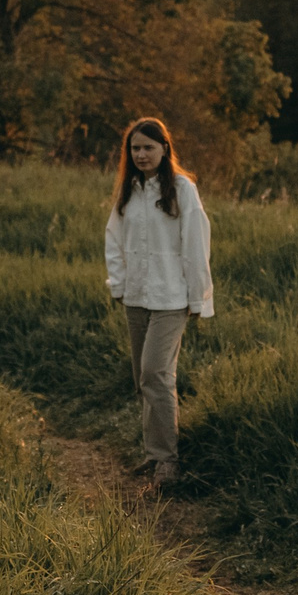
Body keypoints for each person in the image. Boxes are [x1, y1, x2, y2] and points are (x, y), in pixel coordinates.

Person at [103, 116, 212, 487]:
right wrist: (117, 284)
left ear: (165, 148)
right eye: (135, 148)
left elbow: (196, 246)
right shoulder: (129, 189)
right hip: (135, 298)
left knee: (155, 373)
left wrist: (199, 299)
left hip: (171, 299)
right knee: (143, 378)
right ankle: (153, 455)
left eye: (148, 147)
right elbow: (113, 239)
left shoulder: (182, 189)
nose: (141, 154)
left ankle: (168, 461)